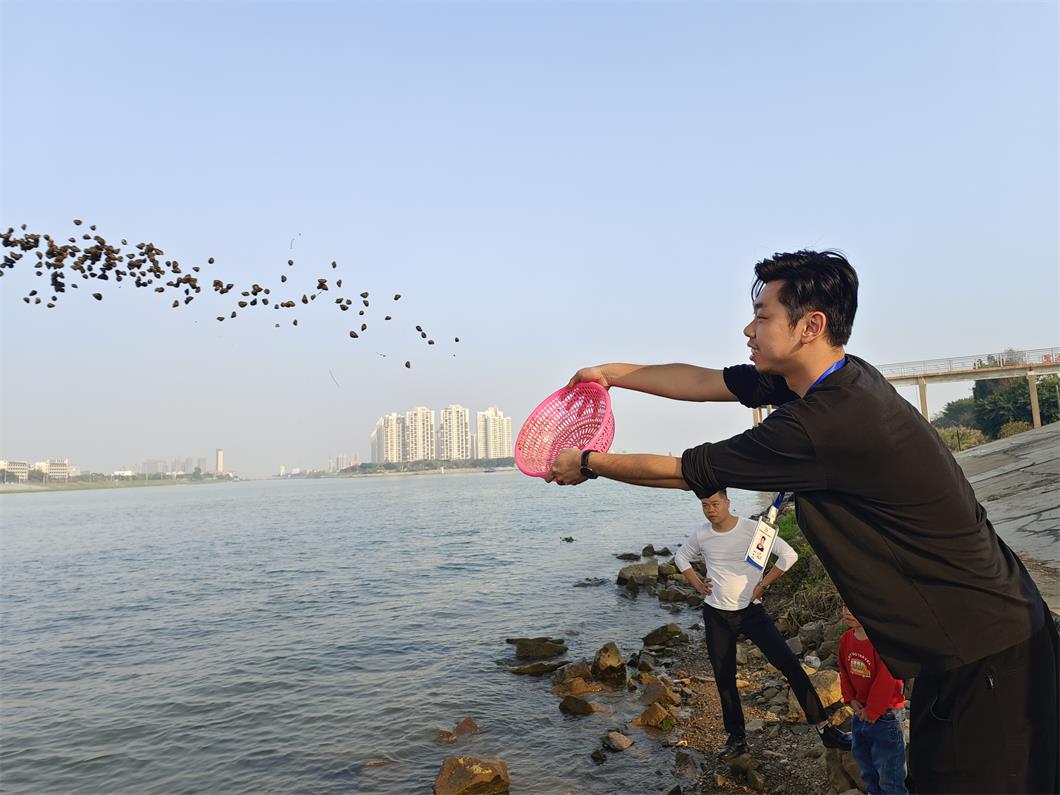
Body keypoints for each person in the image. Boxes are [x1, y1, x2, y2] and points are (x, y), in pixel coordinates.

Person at [545, 250, 1058, 793]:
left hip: (989, 654)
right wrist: (609, 376)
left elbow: (685, 472)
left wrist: (586, 462)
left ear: (810, 326)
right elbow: (706, 382)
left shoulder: (826, 422)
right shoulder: (830, 380)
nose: (748, 327)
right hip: (964, 645)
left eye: (763, 315)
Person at [676, 488, 851, 758]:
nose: (710, 509)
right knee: (724, 678)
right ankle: (737, 738)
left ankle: (824, 728)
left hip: (750, 612)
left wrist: (764, 584)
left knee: (790, 665)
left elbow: (789, 555)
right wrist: (699, 584)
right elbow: (681, 557)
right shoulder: (702, 534)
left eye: (714, 503)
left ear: (727, 502)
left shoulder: (754, 530)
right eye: (704, 504)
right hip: (716, 615)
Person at [839, 604, 908, 794]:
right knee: (867, 770)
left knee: (890, 777)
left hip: (886, 716)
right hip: (860, 715)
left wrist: (873, 709)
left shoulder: (883, 643)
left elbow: (888, 678)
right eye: (844, 606)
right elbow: (844, 671)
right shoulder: (846, 640)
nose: (847, 611)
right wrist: (851, 699)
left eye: (853, 606)